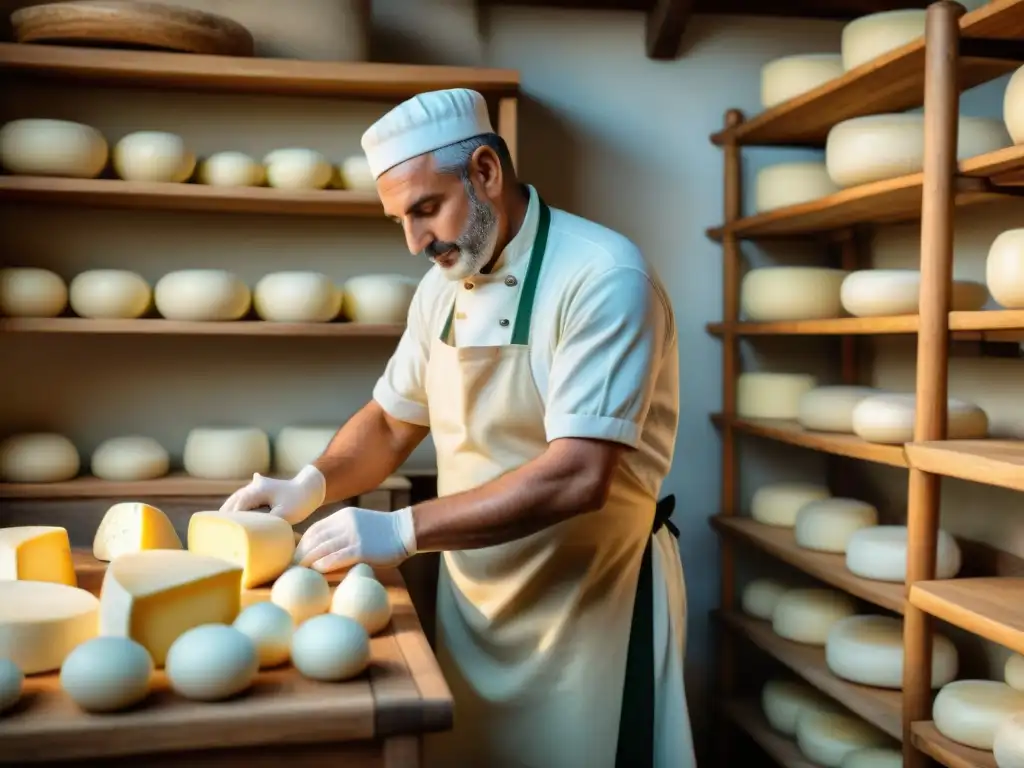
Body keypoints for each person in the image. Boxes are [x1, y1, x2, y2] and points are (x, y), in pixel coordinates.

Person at [220, 87, 695, 768]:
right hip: (476, 599)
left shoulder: (603, 277)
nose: (416, 242)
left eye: (425, 209)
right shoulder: (441, 287)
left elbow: (579, 476)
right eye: (399, 221)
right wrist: (313, 484)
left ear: (486, 172)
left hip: (591, 605)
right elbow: (389, 421)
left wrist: (398, 532)